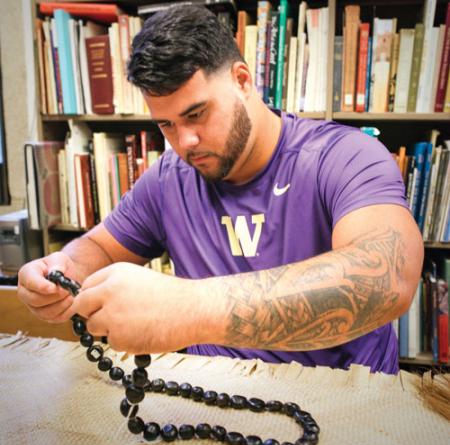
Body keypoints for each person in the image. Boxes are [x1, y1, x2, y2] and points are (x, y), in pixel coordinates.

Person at [18, 6, 423, 374]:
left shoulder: (345, 155)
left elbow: (385, 280)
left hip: (342, 404)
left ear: (242, 80)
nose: (185, 141)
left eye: (197, 114)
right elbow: (104, 248)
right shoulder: (168, 177)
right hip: (213, 395)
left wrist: (187, 309)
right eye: (166, 125)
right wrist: (64, 269)